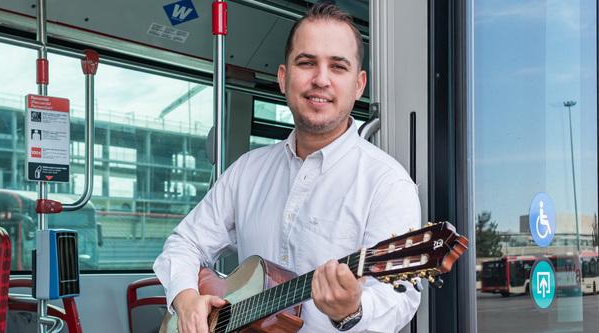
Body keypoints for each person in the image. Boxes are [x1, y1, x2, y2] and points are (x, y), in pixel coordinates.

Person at [153, 2, 421, 332]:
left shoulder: (387, 184)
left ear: (359, 85)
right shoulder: (247, 170)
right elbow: (184, 243)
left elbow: (400, 299)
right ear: (284, 77)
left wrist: (353, 309)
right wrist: (185, 295)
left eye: (338, 67)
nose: (321, 79)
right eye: (307, 63)